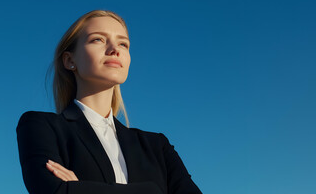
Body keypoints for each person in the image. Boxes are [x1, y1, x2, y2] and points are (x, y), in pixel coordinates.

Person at [16, 10, 202, 194]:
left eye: (123, 44)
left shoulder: (157, 146)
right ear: (69, 60)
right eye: (98, 39)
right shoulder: (41, 126)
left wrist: (79, 188)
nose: (115, 50)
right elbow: (54, 191)